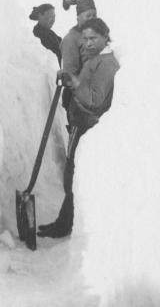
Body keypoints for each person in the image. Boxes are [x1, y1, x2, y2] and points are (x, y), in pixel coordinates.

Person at [38, 17, 119, 239]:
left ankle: (66, 226)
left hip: (87, 125)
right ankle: (63, 223)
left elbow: (95, 99)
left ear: (105, 37)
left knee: (72, 175)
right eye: (84, 39)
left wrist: (75, 84)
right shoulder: (95, 59)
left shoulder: (106, 64)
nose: (88, 43)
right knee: (69, 174)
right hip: (80, 122)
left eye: (94, 38)